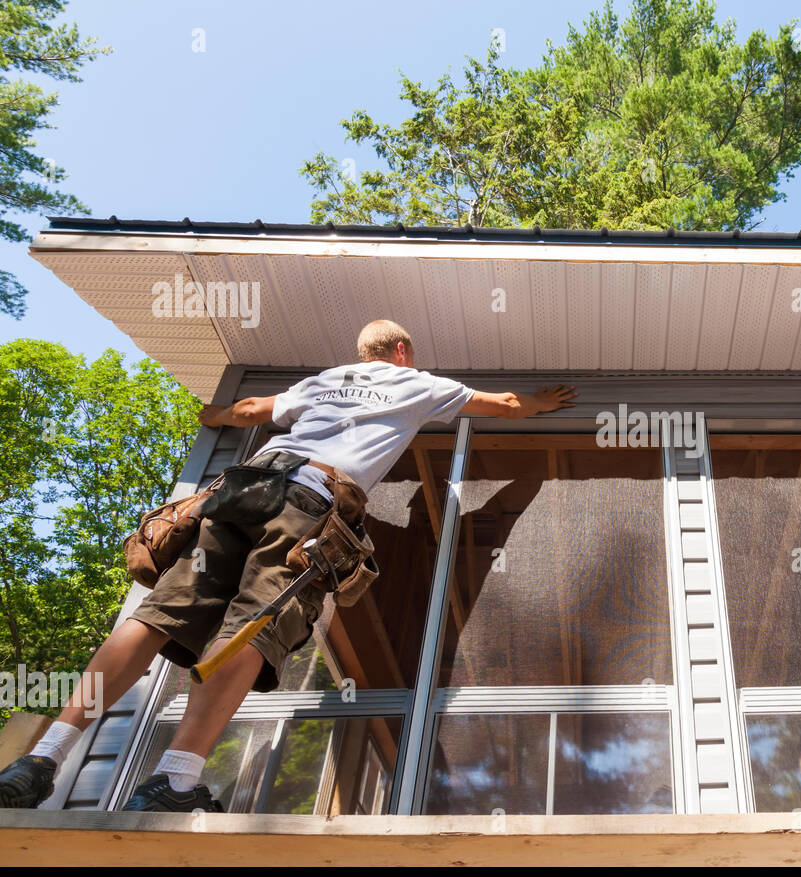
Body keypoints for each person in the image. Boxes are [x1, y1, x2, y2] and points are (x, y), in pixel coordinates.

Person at [0, 319, 576, 811]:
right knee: (255, 622)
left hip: (242, 489)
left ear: (364, 353)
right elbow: (502, 405)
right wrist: (544, 403)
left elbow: (253, 409)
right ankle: (175, 779)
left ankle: (41, 758)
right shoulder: (414, 382)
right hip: (307, 503)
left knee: (159, 614)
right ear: (401, 352)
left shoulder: (325, 381)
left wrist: (218, 416)